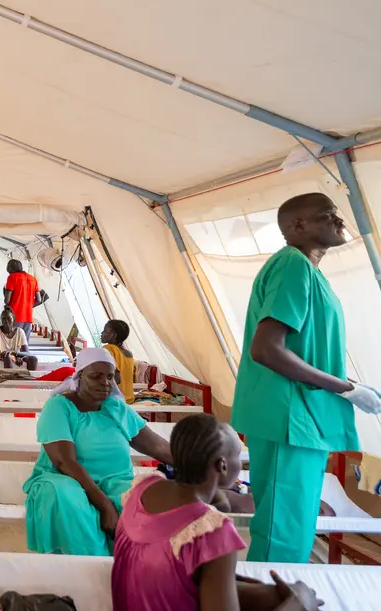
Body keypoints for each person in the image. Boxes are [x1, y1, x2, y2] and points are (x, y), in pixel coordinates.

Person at [232, 192, 381, 564]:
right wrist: (346, 388)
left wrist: (349, 386)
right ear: (298, 225)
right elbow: (266, 350)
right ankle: (270, 592)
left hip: (301, 417)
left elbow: (307, 352)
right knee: (283, 532)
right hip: (289, 418)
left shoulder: (309, 273)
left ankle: (276, 590)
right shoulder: (292, 266)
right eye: (329, 214)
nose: (340, 220)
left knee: (293, 526)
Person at [112, 414, 324, 611]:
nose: (240, 463)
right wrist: (299, 603)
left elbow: (174, 572)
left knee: (270, 596)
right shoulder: (213, 533)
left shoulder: (142, 488)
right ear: (222, 466)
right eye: (237, 455)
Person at [22, 347, 172, 556]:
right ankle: (89, 566)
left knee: (148, 498)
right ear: (80, 375)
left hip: (115, 483)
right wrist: (104, 505)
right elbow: (65, 462)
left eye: (110, 377)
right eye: (96, 376)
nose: (105, 382)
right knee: (62, 496)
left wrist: (202, 465)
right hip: (66, 481)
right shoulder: (59, 407)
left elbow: (159, 447)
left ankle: (141, 567)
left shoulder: (117, 409)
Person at [3, 259, 45, 340]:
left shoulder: (12, 277)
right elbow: (39, 300)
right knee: (24, 343)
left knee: (13, 342)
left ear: (11, 268)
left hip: (14, 316)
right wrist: (27, 306)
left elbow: (7, 300)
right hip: (28, 317)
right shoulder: (33, 279)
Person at [102, 319, 136, 403]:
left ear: (114, 335)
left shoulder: (108, 348)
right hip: (129, 398)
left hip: (116, 400)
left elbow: (116, 378)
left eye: (105, 331)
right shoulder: (129, 353)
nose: (102, 333)